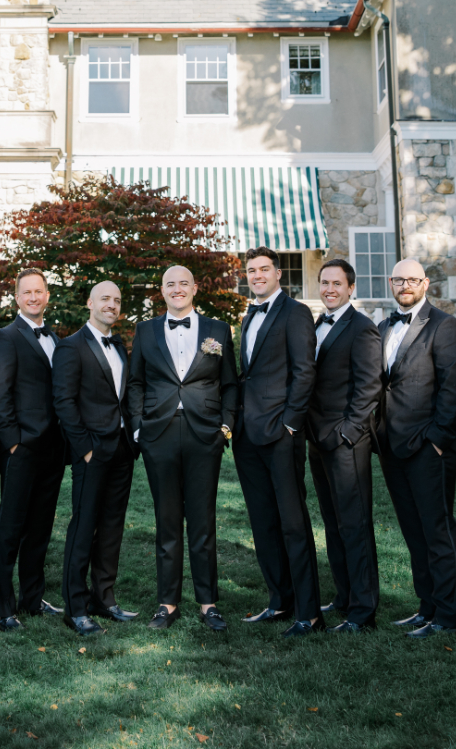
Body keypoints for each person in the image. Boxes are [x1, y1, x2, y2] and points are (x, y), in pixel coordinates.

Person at [126, 266, 238, 632]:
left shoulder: (217, 330)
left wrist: (225, 426)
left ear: (194, 289)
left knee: (203, 521)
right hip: (159, 434)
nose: (177, 289)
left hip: (204, 433)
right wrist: (140, 427)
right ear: (162, 291)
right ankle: (168, 603)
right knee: (167, 521)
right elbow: (136, 382)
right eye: (170, 284)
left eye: (183, 284)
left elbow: (230, 384)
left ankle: (208, 604)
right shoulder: (144, 330)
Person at [378, 257, 456, 638]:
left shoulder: (444, 326)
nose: (405, 286)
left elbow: (453, 388)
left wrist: (436, 440)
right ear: (391, 283)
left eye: (413, 279)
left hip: (429, 447)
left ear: (426, 283)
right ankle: (427, 607)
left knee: (437, 530)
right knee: (414, 532)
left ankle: (449, 618)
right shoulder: (383, 327)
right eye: (399, 280)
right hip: (391, 445)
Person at [233, 246, 322, 638]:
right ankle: (279, 601)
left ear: (278, 274)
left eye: (263, 270)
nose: (256, 276)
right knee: (263, 523)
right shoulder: (247, 316)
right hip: (247, 436)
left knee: (292, 524)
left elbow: (305, 372)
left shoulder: (296, 313)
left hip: (281, 434)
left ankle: (309, 612)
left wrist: (290, 424)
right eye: (251, 271)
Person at [52, 281, 139, 636]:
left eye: (117, 301)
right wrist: (85, 448)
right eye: (105, 298)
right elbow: (64, 403)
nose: (112, 305)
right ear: (90, 303)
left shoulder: (119, 345)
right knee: (84, 527)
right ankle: (75, 607)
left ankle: (104, 598)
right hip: (91, 451)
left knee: (112, 526)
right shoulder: (71, 347)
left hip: (121, 449)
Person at [0, 268, 65, 631]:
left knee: (40, 528)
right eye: (26, 293)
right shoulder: (6, 337)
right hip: (21, 449)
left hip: (53, 450)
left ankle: (32, 598)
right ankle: (3, 607)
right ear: (17, 298)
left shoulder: (55, 337)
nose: (33, 297)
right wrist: (12, 442)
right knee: (11, 527)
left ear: (47, 296)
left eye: (39, 291)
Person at [306, 259, 382, 633]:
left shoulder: (362, 328)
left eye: (337, 283)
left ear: (351, 288)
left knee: (355, 525)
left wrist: (348, 433)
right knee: (334, 525)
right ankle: (345, 595)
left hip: (346, 443)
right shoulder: (318, 324)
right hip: (318, 441)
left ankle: (363, 611)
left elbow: (370, 387)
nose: (330, 288)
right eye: (324, 282)